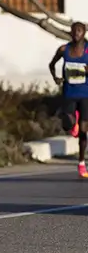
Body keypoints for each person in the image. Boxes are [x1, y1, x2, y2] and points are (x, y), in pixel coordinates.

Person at [49, 21, 88, 178]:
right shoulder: (63, 49)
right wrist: (56, 78)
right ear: (70, 32)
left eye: (79, 31)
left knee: (84, 132)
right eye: (74, 31)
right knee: (67, 124)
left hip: (85, 94)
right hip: (69, 92)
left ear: (84, 33)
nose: (76, 33)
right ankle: (73, 124)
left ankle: (81, 162)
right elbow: (51, 64)